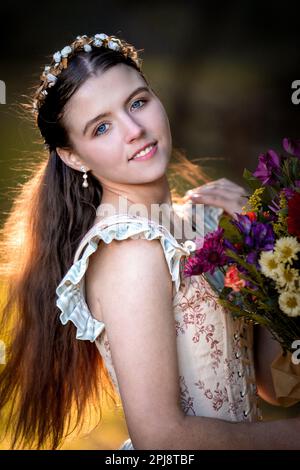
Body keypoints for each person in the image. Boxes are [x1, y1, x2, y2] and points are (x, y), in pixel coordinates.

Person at [0, 32, 299, 451]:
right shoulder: (131, 250)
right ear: (74, 156)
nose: (136, 130)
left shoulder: (203, 221)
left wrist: (264, 240)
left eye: (138, 102)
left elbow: (270, 383)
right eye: (102, 127)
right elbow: (161, 438)